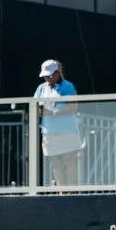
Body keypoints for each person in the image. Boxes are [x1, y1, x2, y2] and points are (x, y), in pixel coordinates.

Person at [35, 58, 80, 188]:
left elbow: (73, 107)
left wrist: (54, 111)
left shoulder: (68, 86)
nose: (47, 79)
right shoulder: (41, 89)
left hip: (67, 130)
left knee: (69, 161)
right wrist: (41, 110)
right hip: (49, 132)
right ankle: (62, 192)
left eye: (49, 76)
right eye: (45, 77)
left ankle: (72, 192)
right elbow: (36, 107)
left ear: (57, 72)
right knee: (55, 163)